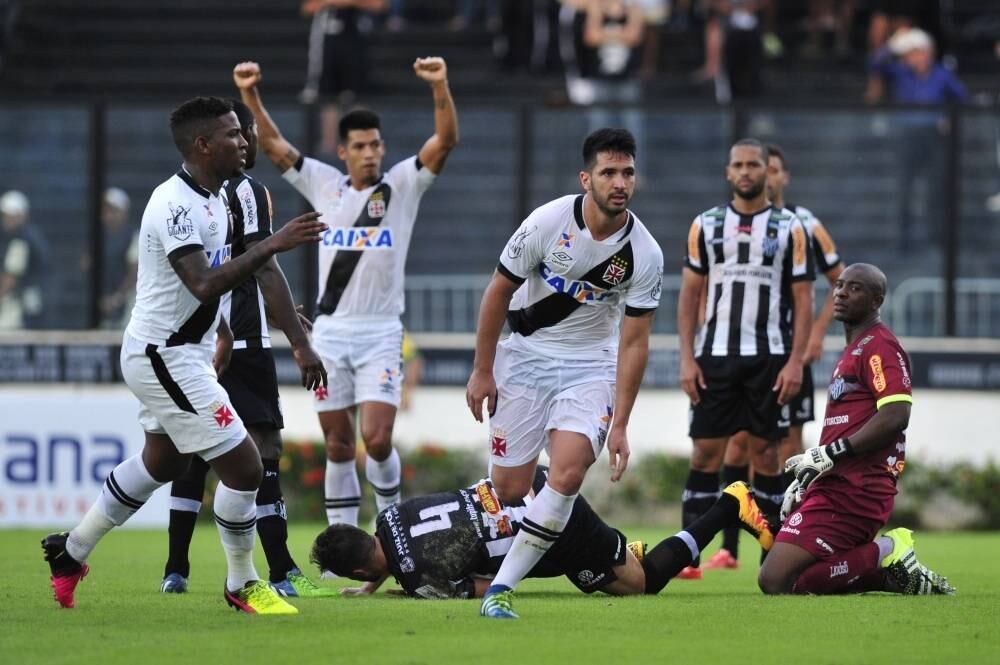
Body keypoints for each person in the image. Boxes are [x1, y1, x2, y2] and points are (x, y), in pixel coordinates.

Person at [40, 96, 327, 614]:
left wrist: (234, 332)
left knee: (163, 460)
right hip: (162, 355)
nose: (244, 141)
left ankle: (71, 550)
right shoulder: (173, 205)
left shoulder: (217, 199)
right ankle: (242, 584)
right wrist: (274, 243)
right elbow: (202, 282)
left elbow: (221, 280)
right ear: (202, 145)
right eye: (233, 135)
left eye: (242, 133)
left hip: (184, 352)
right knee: (244, 467)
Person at [234, 58, 459, 528]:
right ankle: (343, 546)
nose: (370, 153)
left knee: (376, 440)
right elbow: (273, 147)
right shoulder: (325, 185)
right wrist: (250, 94)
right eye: (360, 146)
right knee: (338, 444)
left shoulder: (401, 186)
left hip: (381, 334)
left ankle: (394, 535)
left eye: (375, 144)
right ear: (343, 152)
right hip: (331, 334)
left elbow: (444, 142)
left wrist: (439, 85)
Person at [466, 128, 663, 618]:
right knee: (510, 489)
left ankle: (500, 590)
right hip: (526, 359)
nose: (620, 182)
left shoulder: (645, 253)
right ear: (586, 178)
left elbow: (635, 342)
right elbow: (497, 291)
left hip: (589, 367)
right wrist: (482, 370)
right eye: (609, 173)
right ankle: (559, 530)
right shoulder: (546, 222)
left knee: (568, 473)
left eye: (628, 173)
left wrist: (620, 424)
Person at [159, 100, 331, 598]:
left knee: (192, 455)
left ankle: (176, 569)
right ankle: (280, 571)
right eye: (243, 133)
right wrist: (299, 344)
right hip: (241, 341)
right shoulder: (246, 191)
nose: (248, 143)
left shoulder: (185, 193)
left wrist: (282, 313)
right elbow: (262, 266)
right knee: (265, 451)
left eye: (247, 133)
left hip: (198, 338)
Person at [759, 263, 955, 596]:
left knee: (774, 580)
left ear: (877, 300)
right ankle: (889, 575)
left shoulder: (880, 347)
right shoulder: (854, 349)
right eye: (839, 286)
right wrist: (814, 473)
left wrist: (831, 454)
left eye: (855, 288)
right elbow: (845, 426)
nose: (841, 293)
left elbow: (896, 414)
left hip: (859, 489)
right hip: (836, 484)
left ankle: (888, 550)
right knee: (801, 582)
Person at [676, 138, 814, 580]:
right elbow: (690, 294)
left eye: (754, 164)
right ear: (728, 172)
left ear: (765, 170)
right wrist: (687, 357)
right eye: (738, 164)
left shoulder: (790, 227)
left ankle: (771, 558)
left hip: (769, 358)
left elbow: (804, 298)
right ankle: (688, 559)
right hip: (714, 356)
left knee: (766, 455)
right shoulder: (706, 224)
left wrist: (795, 362)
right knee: (704, 454)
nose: (747, 171)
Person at [310, 468, 773, 599]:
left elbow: (494, 584)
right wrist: (377, 582)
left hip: (553, 525)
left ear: (354, 569)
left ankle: (731, 504)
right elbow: (393, 551)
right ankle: (615, 550)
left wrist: (399, 590)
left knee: (641, 583)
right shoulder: (392, 516)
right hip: (527, 487)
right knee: (599, 574)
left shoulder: (418, 582)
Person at [705, 142, 844, 570]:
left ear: (778, 175)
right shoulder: (728, 226)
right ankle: (730, 548)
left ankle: (787, 543)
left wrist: (816, 335)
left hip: (788, 354)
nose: (768, 175)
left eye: (773, 169)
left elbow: (840, 280)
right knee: (736, 445)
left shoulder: (804, 224)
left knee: (787, 446)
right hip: (747, 354)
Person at [865, 28, 968, 250]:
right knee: (904, 188)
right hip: (906, 137)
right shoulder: (901, 71)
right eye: (907, 53)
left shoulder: (941, 74)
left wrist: (947, 117)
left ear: (926, 52)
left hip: (934, 138)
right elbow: (874, 64)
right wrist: (893, 44)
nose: (910, 57)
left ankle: (937, 237)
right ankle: (904, 238)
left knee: (936, 188)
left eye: (914, 52)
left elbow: (962, 96)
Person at [300, 0, 387, 155]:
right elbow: (308, 8)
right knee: (328, 97)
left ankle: (360, 144)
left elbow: (379, 5)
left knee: (359, 96)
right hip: (328, 43)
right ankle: (329, 147)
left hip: (357, 42)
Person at [0, 189, 50, 329]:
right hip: (33, 305)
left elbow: (10, 278)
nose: (6, 219)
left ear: (22, 215)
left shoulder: (21, 239)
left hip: (23, 308)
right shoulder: (32, 235)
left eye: (11, 215)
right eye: (5, 215)